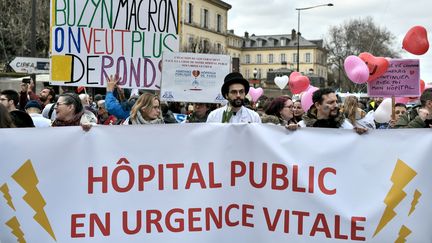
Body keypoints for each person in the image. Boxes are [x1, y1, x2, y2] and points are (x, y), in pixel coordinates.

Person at [298, 88, 368, 134]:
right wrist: (290, 132)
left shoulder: (345, 126)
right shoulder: (302, 126)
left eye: (336, 102)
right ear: (318, 105)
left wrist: (359, 134)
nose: (336, 105)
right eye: (330, 102)